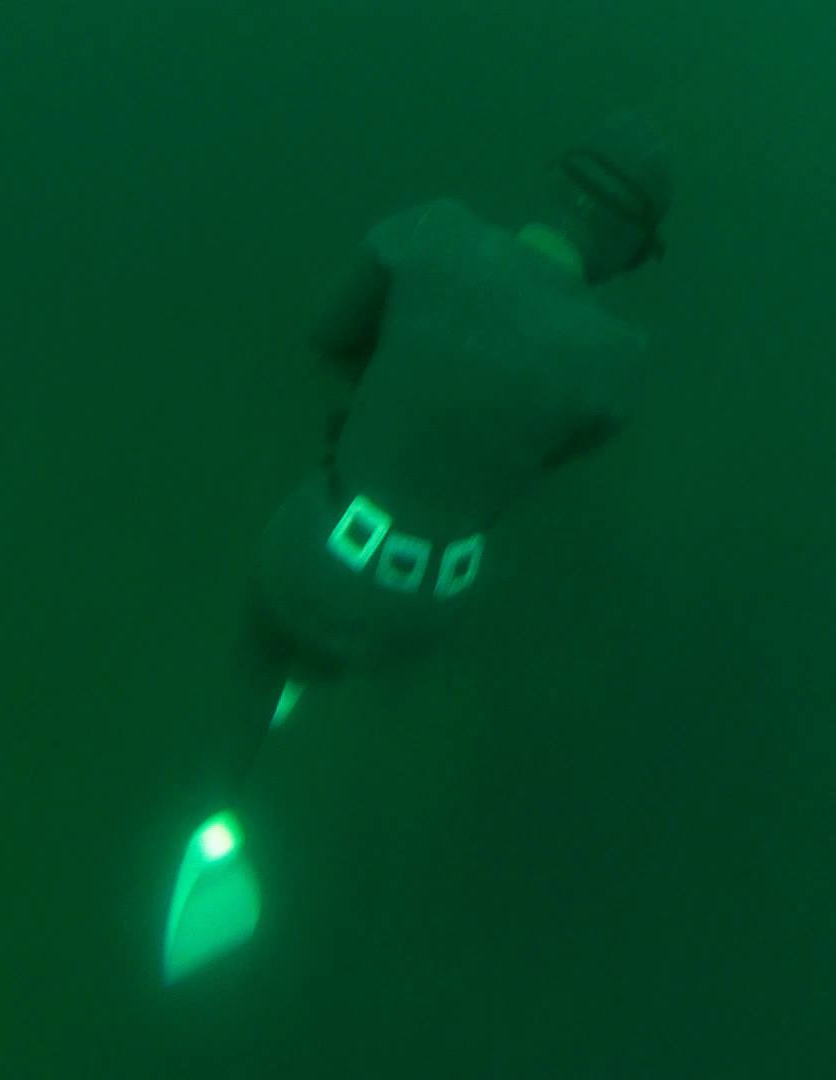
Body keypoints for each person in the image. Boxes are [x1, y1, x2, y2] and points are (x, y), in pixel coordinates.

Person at [161, 111, 674, 985]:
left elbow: (326, 336)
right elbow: (543, 452)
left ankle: (218, 824)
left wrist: (402, 367)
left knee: (263, 646)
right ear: (630, 253)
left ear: (552, 187)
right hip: (429, 609)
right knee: (376, 618)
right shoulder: (620, 362)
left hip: (317, 559)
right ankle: (319, 695)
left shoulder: (428, 235)